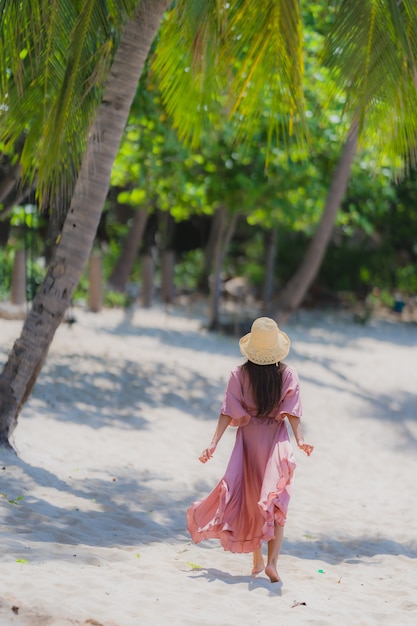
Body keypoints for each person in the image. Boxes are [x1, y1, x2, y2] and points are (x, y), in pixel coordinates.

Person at [186, 317, 314, 583]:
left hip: (248, 442)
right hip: (275, 440)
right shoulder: (288, 374)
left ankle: (257, 559)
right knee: (276, 500)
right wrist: (300, 440)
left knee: (251, 499)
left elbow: (227, 412)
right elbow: (292, 413)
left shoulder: (239, 374)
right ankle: (272, 563)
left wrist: (213, 442)